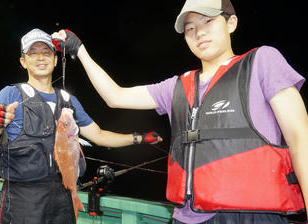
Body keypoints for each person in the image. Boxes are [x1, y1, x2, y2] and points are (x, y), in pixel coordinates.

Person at [52, 0, 308, 223]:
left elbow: (300, 138)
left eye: (208, 21)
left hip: (253, 215)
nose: (199, 33)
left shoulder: (262, 61)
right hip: (185, 217)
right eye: (190, 29)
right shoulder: (176, 86)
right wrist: (80, 51)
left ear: (231, 23)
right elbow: (115, 97)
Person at [0, 28, 162, 224]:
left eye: (46, 53)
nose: (41, 58)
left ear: (55, 60)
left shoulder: (68, 100)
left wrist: (139, 138)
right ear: (23, 61)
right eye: (33, 53)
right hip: (22, 199)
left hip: (64, 196)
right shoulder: (10, 95)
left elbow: (99, 135)